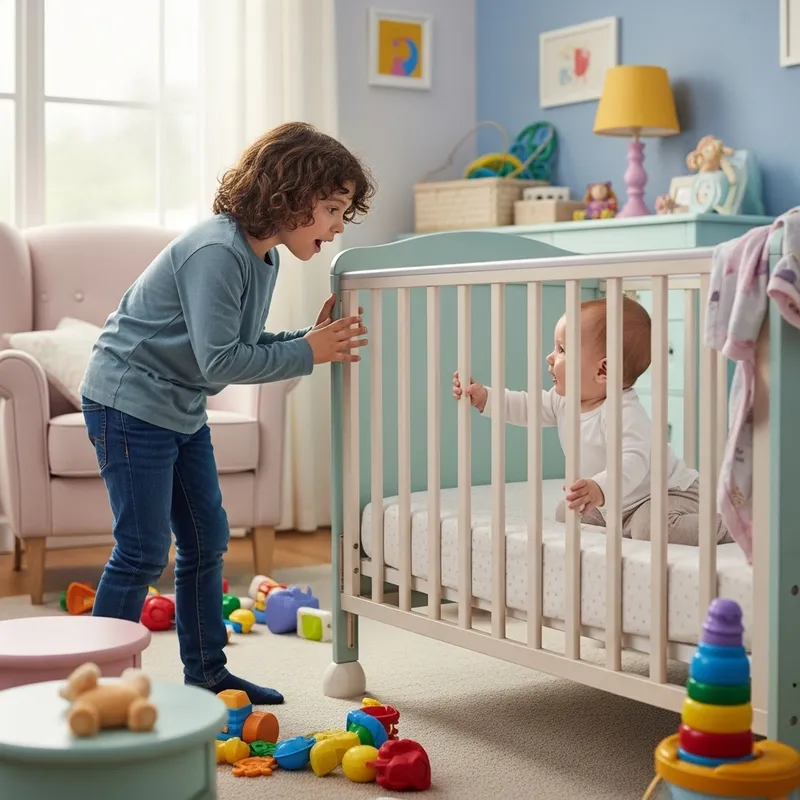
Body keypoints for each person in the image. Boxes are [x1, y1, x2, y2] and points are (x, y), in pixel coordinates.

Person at [79, 121, 375, 704]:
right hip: (128, 400)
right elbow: (220, 362)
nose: (339, 227)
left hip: (178, 407)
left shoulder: (262, 259)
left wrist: (307, 338)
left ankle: (208, 671)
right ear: (291, 196)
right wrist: (306, 353)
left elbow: (241, 343)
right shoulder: (217, 250)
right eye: (334, 208)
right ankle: (93, 685)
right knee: (141, 548)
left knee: (207, 537)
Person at [452, 296, 731, 546]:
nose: (550, 358)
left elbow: (633, 461)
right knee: (567, 512)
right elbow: (526, 406)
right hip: (619, 501)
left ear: (603, 369)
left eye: (562, 350)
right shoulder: (564, 400)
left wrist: (599, 488)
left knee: (649, 528)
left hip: (666, 493)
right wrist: (485, 397)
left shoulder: (623, 411)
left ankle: (730, 526)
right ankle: (625, 522)